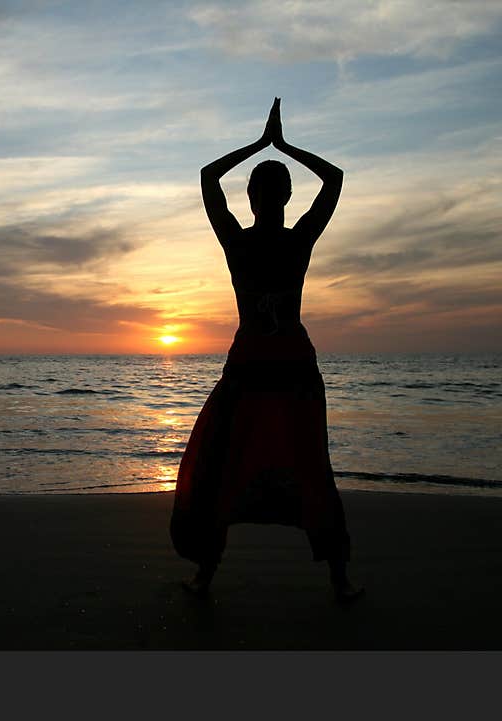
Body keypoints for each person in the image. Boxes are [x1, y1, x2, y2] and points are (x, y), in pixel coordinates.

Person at [170, 98, 363, 603]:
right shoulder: (298, 240)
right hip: (289, 362)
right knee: (309, 465)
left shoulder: (239, 241)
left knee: (222, 463)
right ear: (288, 196)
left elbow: (209, 180)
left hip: (256, 360)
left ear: (252, 198)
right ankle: (339, 582)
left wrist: (260, 144)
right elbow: (336, 178)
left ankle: (204, 577)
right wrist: (283, 146)